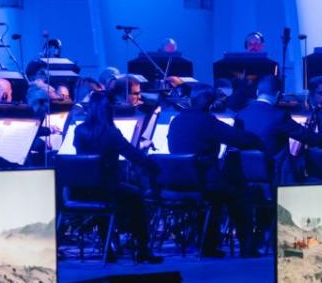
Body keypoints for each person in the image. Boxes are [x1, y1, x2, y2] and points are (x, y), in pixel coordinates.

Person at [168, 84, 265, 257]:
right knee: (241, 193)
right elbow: (239, 139)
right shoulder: (208, 122)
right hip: (202, 183)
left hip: (176, 183)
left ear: (191, 101)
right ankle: (247, 247)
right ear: (212, 105)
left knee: (218, 195)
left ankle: (209, 244)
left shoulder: (176, 120)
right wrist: (259, 140)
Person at [73, 91, 162, 263]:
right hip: (107, 188)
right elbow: (133, 155)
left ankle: (109, 245)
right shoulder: (111, 133)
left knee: (123, 193)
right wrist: (155, 167)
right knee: (137, 195)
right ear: (109, 110)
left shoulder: (80, 130)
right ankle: (142, 248)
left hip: (81, 189)